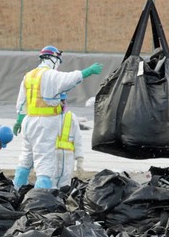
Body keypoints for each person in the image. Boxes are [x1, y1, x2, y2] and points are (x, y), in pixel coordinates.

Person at [13, 45, 102, 189]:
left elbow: (22, 101)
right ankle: (40, 200)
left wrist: (19, 120)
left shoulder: (29, 75)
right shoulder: (51, 75)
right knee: (45, 165)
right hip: (45, 123)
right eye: (58, 61)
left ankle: (16, 191)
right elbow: (70, 79)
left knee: (25, 159)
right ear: (54, 58)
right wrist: (88, 71)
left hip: (29, 122)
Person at [50, 108, 85, 188]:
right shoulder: (48, 116)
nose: (62, 103)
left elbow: (78, 139)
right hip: (52, 154)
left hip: (68, 157)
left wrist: (80, 159)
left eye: (63, 100)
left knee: (65, 184)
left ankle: (61, 199)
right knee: (50, 182)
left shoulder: (71, 117)